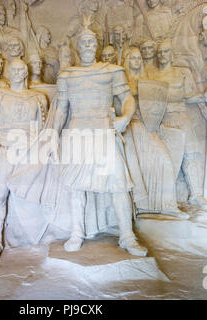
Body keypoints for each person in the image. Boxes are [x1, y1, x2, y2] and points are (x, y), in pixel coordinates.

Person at [54, 26, 148, 256]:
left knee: (118, 183)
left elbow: (128, 99)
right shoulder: (67, 75)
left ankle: (127, 235)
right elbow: (61, 109)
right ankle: (77, 232)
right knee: (76, 187)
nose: (87, 45)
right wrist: (53, 136)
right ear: (77, 46)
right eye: (83, 41)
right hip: (78, 132)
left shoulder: (112, 71)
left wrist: (125, 118)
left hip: (104, 130)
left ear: (96, 45)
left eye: (91, 41)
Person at [0, 59, 47, 263]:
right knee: (0, 194)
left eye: (21, 69)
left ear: (26, 73)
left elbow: (42, 128)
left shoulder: (38, 97)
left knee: (37, 189)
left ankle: (32, 236)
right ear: (9, 72)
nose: (18, 73)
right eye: (14, 69)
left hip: (29, 149)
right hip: (6, 147)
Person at [152, 40, 207, 210]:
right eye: (159, 52)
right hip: (165, 121)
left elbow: (188, 96)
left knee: (191, 156)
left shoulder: (181, 73)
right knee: (170, 161)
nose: (162, 55)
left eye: (165, 52)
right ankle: (166, 200)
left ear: (171, 54)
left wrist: (205, 96)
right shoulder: (153, 76)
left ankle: (196, 195)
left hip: (182, 117)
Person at [123, 48, 188, 218]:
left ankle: (168, 204)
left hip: (148, 126)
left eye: (139, 58)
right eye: (133, 58)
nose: (137, 61)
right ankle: (144, 205)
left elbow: (156, 105)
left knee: (165, 161)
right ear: (127, 61)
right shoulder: (123, 84)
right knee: (146, 167)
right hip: (133, 128)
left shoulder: (147, 82)